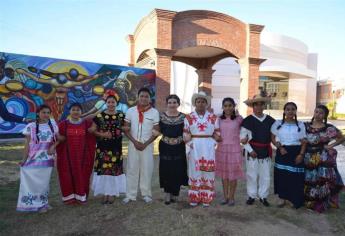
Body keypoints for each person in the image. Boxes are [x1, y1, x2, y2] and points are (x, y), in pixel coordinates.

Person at [16, 105, 58, 213]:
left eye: (48, 112)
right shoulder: (31, 126)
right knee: (34, 183)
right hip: (33, 159)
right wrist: (24, 159)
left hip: (47, 159)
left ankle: (43, 202)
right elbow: (27, 144)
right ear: (38, 113)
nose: (46, 115)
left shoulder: (53, 125)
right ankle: (34, 204)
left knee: (44, 183)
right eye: (44, 112)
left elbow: (59, 139)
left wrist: (54, 146)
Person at [304, 105, 345, 213]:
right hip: (308, 157)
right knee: (310, 179)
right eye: (316, 112)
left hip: (323, 158)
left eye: (321, 113)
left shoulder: (328, 128)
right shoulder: (306, 126)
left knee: (322, 181)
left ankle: (321, 203)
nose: (318, 114)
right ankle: (309, 201)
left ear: (325, 115)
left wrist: (331, 146)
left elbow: (341, 137)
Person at [122, 87, 160, 204]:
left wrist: (146, 144)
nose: (144, 98)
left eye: (146, 96)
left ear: (150, 99)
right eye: (142, 96)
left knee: (146, 170)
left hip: (147, 146)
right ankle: (130, 195)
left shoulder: (154, 112)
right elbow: (126, 129)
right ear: (138, 97)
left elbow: (156, 131)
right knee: (132, 169)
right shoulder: (130, 111)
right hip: (133, 144)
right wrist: (134, 142)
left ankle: (146, 194)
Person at [53, 103, 96, 204]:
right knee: (67, 176)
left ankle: (81, 196)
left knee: (83, 176)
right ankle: (70, 198)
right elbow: (59, 138)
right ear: (70, 111)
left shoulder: (86, 124)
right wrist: (56, 142)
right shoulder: (63, 124)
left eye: (78, 110)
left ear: (81, 112)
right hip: (68, 157)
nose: (76, 112)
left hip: (83, 156)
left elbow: (96, 122)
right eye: (73, 109)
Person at [183, 91, 220, 207]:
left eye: (203, 101)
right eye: (198, 101)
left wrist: (212, 143)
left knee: (208, 171)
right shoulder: (189, 117)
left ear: (206, 103)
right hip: (195, 146)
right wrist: (190, 144)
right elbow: (185, 133)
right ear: (195, 103)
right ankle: (194, 197)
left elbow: (217, 132)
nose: (200, 103)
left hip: (208, 146)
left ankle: (206, 197)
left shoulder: (213, 117)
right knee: (195, 170)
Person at [90, 93, 126, 204]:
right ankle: (105, 193)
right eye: (109, 102)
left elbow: (126, 127)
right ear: (106, 103)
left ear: (116, 104)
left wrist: (125, 129)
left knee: (113, 170)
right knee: (104, 171)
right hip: (102, 148)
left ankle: (112, 193)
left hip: (116, 148)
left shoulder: (121, 116)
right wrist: (103, 134)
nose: (111, 104)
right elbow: (91, 130)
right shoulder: (99, 116)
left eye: (113, 102)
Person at [240, 94, 275, 207]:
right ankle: (251, 195)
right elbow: (243, 138)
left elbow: (275, 136)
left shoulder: (270, 120)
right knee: (251, 174)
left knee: (265, 175)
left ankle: (263, 196)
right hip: (252, 152)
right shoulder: (248, 121)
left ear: (264, 106)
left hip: (265, 150)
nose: (259, 107)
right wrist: (250, 150)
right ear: (252, 107)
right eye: (256, 105)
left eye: (261, 105)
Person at [271, 102, 306, 208]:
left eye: (293, 109)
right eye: (288, 109)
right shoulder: (278, 123)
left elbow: (304, 141)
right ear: (284, 111)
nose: (290, 111)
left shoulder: (300, 124)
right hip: (282, 152)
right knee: (281, 175)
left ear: (295, 111)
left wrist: (301, 154)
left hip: (296, 152)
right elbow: (272, 138)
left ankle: (292, 198)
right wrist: (280, 147)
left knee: (295, 176)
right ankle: (282, 198)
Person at [158, 94, 188, 205]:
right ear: (167, 104)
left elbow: (187, 131)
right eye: (170, 102)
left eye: (174, 102)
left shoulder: (184, 117)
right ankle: (167, 194)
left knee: (177, 169)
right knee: (166, 169)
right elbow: (157, 130)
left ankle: (175, 193)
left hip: (179, 147)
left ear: (178, 104)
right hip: (165, 146)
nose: (172, 104)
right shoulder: (161, 117)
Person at [215, 97, 244, 206]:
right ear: (222, 107)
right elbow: (213, 132)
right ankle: (225, 196)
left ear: (234, 106)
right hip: (222, 149)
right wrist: (215, 137)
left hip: (235, 149)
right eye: (225, 106)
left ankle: (232, 197)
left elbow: (246, 132)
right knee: (224, 174)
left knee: (233, 174)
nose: (228, 108)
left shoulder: (239, 119)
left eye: (230, 105)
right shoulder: (218, 119)